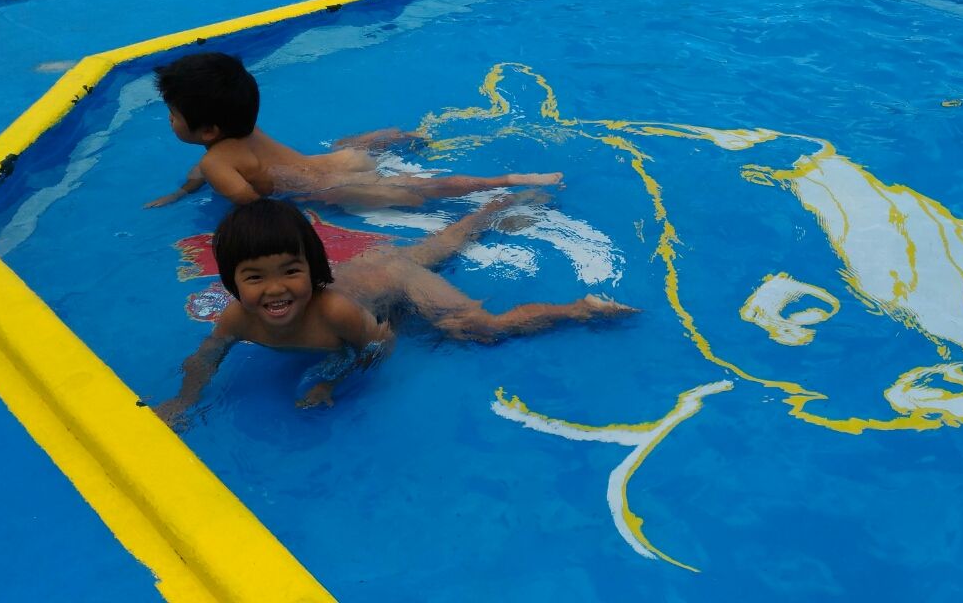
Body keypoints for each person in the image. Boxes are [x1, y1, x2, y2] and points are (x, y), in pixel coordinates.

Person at [154, 194, 634, 428]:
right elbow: (206, 356)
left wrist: (329, 379)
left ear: (313, 268)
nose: (275, 290)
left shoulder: (334, 312)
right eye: (254, 278)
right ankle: (491, 212)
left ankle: (579, 309)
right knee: (442, 245)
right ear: (232, 283)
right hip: (377, 278)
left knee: (478, 329)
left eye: (290, 272)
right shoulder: (237, 318)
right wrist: (183, 400)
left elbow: (380, 346)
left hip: (395, 282)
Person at [145, 52, 562, 209]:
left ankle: (504, 182)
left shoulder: (219, 162)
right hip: (342, 160)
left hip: (333, 186)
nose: (169, 120)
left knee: (421, 191)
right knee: (351, 146)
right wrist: (181, 192)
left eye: (173, 113)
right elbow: (204, 172)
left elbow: (254, 207)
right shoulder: (238, 137)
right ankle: (401, 136)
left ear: (207, 130)